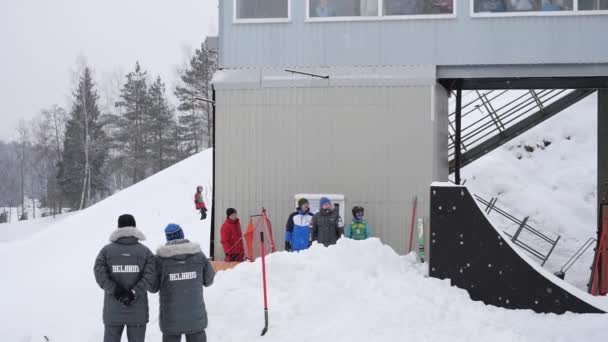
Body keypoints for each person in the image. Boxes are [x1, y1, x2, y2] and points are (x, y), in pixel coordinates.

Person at [94, 214, 156, 342]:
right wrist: (134, 292)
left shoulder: (106, 251)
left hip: (113, 311)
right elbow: (150, 276)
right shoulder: (145, 252)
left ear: (118, 227)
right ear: (134, 227)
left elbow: (99, 273)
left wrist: (116, 291)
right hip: (137, 312)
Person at [154, 224, 215, 342]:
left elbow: (152, 287)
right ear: (182, 234)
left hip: (170, 319)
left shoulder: (160, 259)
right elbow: (208, 280)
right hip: (195, 319)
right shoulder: (198, 255)